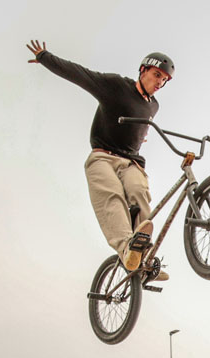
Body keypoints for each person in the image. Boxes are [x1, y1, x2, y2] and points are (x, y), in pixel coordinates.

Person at [26, 40, 173, 281]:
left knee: (140, 192)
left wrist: (139, 137)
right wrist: (45, 58)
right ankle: (127, 249)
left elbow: (136, 126)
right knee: (112, 196)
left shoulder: (153, 106)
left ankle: (142, 259)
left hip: (131, 162)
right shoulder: (115, 86)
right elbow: (80, 74)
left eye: (163, 81)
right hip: (102, 157)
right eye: (157, 75)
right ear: (143, 70)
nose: (159, 83)